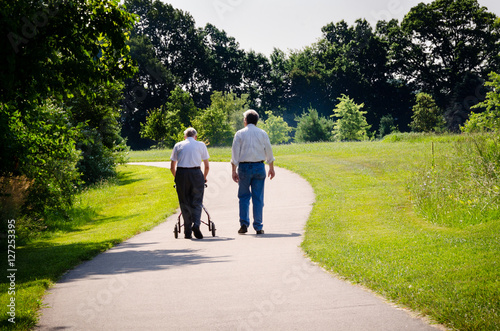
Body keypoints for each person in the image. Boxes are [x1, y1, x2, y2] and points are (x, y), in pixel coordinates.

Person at [231, 109, 275, 235]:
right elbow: (269, 152)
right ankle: (258, 226)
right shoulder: (262, 133)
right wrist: (271, 167)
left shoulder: (239, 134)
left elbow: (235, 154)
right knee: (258, 197)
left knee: (244, 197)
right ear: (256, 121)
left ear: (245, 121)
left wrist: (234, 170)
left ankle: (244, 224)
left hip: (244, 167)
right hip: (259, 166)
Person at [170, 128, 209, 239]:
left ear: (185, 137)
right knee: (197, 201)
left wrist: (177, 178)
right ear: (195, 137)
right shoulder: (201, 145)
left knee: (184, 202)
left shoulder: (178, 145)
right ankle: (196, 224)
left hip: (181, 173)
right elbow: (206, 166)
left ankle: (187, 231)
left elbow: (172, 167)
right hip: (196, 173)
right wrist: (204, 178)